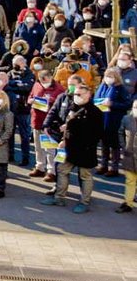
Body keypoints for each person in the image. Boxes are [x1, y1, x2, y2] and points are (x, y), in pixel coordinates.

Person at [40, 82, 102, 213]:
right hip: (69, 148)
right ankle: (59, 198)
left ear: (88, 95)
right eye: (75, 94)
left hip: (85, 150)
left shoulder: (95, 112)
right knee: (62, 170)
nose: (76, 96)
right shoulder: (72, 107)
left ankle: (84, 202)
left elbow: (95, 134)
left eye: (79, 94)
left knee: (85, 175)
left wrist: (72, 135)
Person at [118, 102, 137, 214]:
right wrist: (124, 146)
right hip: (130, 156)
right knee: (130, 181)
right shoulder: (126, 119)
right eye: (135, 107)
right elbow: (120, 132)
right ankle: (127, 203)